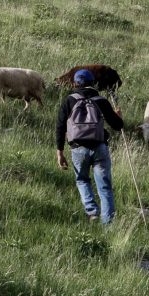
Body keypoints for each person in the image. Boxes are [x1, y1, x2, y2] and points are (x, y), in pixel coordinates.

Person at [56, 69, 124, 224]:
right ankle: (108, 224)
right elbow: (117, 125)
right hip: (99, 147)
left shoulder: (69, 100)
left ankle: (92, 211)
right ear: (93, 83)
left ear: (75, 83)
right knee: (105, 187)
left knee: (82, 180)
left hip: (78, 148)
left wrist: (60, 152)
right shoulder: (101, 100)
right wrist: (119, 117)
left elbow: (60, 126)